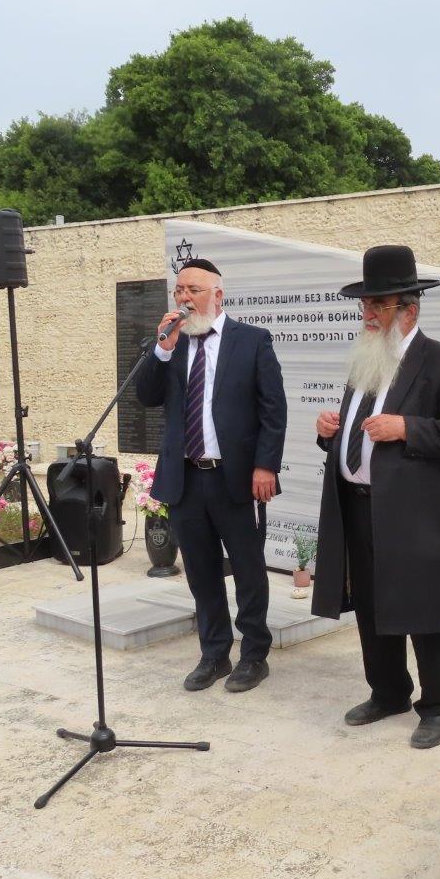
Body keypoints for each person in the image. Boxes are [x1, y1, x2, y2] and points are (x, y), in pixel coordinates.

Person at [311, 244, 440, 750]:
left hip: (416, 514)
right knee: (372, 609)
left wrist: (407, 427)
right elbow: (358, 434)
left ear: (410, 309)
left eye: (378, 305)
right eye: (364, 304)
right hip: (360, 508)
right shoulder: (366, 359)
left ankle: (439, 705)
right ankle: (388, 692)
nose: (368, 313)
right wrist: (328, 433)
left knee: (424, 610)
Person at [136, 258, 287, 693]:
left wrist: (265, 465)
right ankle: (215, 654)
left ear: (218, 295)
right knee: (201, 573)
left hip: (233, 477)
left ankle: (254, 655)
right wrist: (162, 349)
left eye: (194, 290)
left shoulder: (252, 341)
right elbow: (145, 395)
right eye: (179, 290)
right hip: (186, 478)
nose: (184, 298)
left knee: (248, 571)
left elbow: (273, 409)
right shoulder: (171, 344)